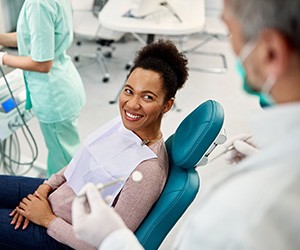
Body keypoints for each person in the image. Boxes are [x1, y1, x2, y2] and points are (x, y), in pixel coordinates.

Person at [72, 0, 300, 249]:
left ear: (271, 53)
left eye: (232, 34)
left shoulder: (244, 214)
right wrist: (266, 158)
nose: (233, 49)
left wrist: (113, 240)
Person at [0, 39, 189, 249]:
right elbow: (81, 162)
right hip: (55, 195)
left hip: (60, 236)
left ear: (167, 105)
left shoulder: (149, 171)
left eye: (147, 97)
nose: (132, 104)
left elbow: (106, 242)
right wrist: (46, 187)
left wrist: (46, 219)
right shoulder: (122, 126)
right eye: (128, 91)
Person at [0, 0, 86, 177]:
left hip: (54, 94)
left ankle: (61, 200)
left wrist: (3, 58)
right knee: (63, 152)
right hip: (64, 84)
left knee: (64, 166)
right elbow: (34, 35)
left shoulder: (38, 3)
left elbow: (42, 64)